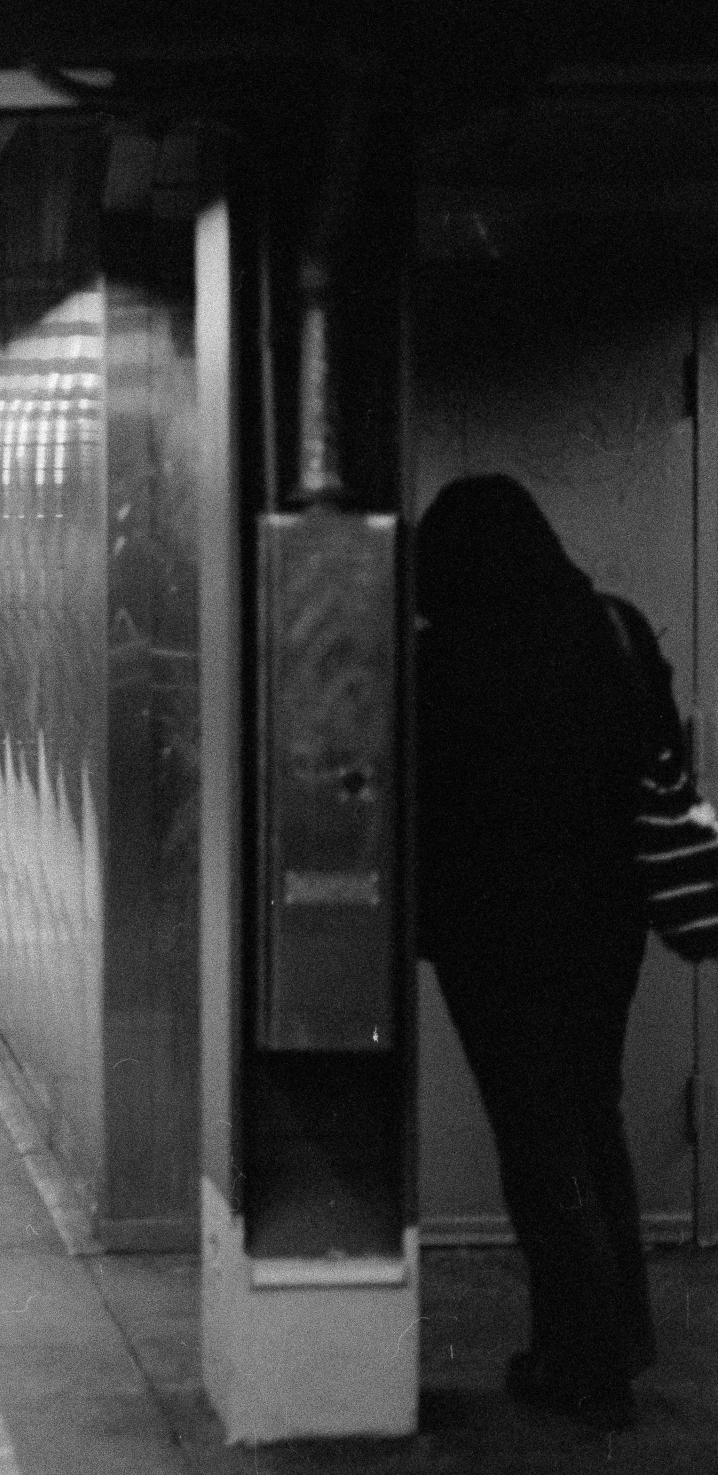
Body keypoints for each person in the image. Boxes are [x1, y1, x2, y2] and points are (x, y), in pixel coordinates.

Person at [416, 473, 660, 1431]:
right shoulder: (615, 629)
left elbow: (428, 802)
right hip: (608, 921)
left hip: (494, 935)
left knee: (536, 1138)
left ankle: (585, 1358)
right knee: (590, 1122)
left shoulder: (449, 659)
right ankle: (609, 1338)